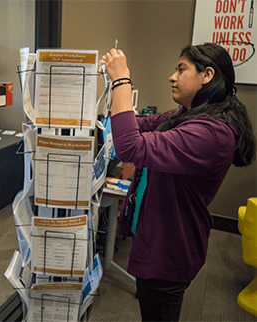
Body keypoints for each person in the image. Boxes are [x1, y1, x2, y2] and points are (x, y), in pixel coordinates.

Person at [99, 42, 256, 322]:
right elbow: (139, 124)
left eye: (181, 69)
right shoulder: (185, 115)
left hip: (171, 249)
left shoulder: (211, 134)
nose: (173, 76)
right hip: (162, 236)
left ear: (207, 75)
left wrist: (121, 80)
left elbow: (130, 147)